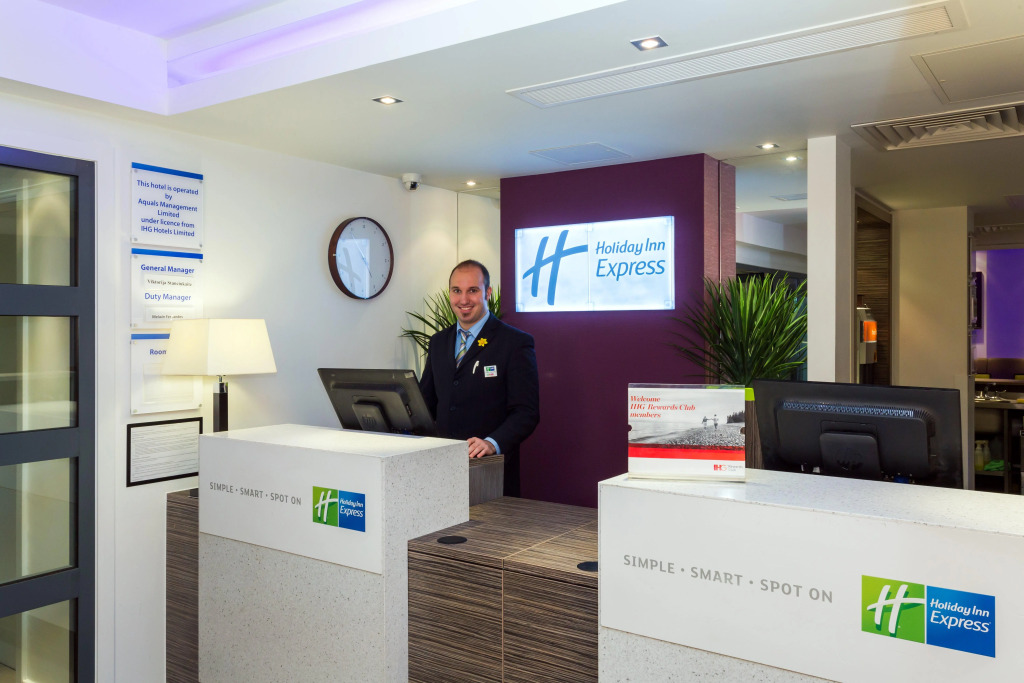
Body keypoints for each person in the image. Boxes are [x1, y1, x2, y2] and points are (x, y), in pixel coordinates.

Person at [419, 260, 540, 497]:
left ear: (488, 293)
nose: (463, 299)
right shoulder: (438, 342)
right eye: (457, 291)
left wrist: (492, 442)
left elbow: (526, 412)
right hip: (441, 471)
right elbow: (427, 403)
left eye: (472, 290)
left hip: (489, 474)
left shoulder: (514, 343)